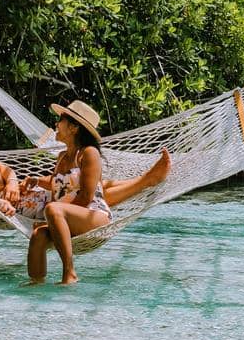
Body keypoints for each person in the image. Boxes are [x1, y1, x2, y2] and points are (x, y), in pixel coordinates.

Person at [26, 98, 171, 286]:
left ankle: (69, 272)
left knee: (53, 209)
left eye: (61, 119)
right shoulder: (62, 157)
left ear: (73, 128)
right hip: (67, 219)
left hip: (94, 216)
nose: (56, 124)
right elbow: (60, 185)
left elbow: (86, 197)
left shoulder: (88, 153)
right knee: (38, 236)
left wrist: (54, 215)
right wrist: (37, 181)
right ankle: (35, 286)